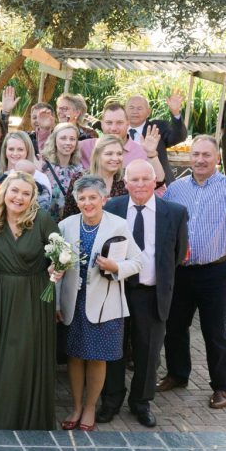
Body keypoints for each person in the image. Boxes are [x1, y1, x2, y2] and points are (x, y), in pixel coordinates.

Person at [160, 125, 226, 409]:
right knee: (175, 326)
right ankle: (177, 374)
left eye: (206, 155)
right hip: (181, 270)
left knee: (214, 330)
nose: (200, 160)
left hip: (215, 272)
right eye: (196, 154)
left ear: (217, 158)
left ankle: (222, 386)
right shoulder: (176, 189)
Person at [0, 171, 60, 430]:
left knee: (25, 354)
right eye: (14, 191)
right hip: (0, 293)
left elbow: (61, 251)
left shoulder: (42, 220)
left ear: (32, 198)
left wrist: (57, 266)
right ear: (4, 192)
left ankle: (26, 416)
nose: (19, 197)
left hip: (33, 295)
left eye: (26, 193)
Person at [98, 160, 189, 428]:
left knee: (148, 352)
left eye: (145, 179)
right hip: (116, 289)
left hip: (151, 293)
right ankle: (111, 399)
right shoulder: (112, 208)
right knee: (113, 349)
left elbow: (176, 255)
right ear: (125, 183)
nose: (139, 185)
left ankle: (141, 402)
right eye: (134, 180)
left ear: (154, 181)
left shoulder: (174, 212)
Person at [57, 176, 144, 431]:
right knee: (74, 357)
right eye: (82, 198)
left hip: (105, 303)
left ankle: (90, 407)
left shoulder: (118, 225)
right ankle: (76, 406)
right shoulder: (65, 225)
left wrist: (116, 267)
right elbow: (58, 266)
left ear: (103, 199)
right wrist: (56, 305)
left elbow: (138, 261)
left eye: (93, 197)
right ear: (76, 200)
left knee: (97, 358)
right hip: (73, 301)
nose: (87, 203)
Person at [124, 92, 186, 183]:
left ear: (149, 112)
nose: (135, 111)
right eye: (131, 108)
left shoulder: (158, 127)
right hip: (127, 183)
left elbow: (178, 136)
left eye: (139, 108)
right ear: (124, 110)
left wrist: (175, 112)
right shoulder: (118, 130)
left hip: (158, 183)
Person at [62, 136, 128, 220]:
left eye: (119, 154)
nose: (115, 158)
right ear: (97, 155)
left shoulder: (126, 178)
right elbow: (69, 214)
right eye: (109, 154)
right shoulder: (80, 178)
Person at [78, 101, 148, 168]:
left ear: (127, 124)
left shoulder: (140, 153)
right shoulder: (85, 147)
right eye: (109, 123)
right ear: (102, 124)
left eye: (119, 123)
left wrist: (152, 155)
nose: (113, 128)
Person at [40, 122, 85, 221]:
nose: (68, 142)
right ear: (54, 140)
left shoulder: (80, 171)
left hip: (71, 224)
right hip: (46, 224)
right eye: (63, 138)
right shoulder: (43, 168)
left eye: (72, 139)